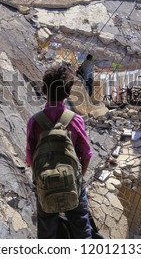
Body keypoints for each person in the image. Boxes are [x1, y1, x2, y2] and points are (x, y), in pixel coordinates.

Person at [26, 65, 93, 238]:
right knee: (82, 229)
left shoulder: (34, 122)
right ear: (68, 92)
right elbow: (86, 154)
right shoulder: (76, 120)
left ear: (45, 90)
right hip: (73, 184)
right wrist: (78, 178)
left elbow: (30, 158)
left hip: (45, 184)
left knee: (46, 231)